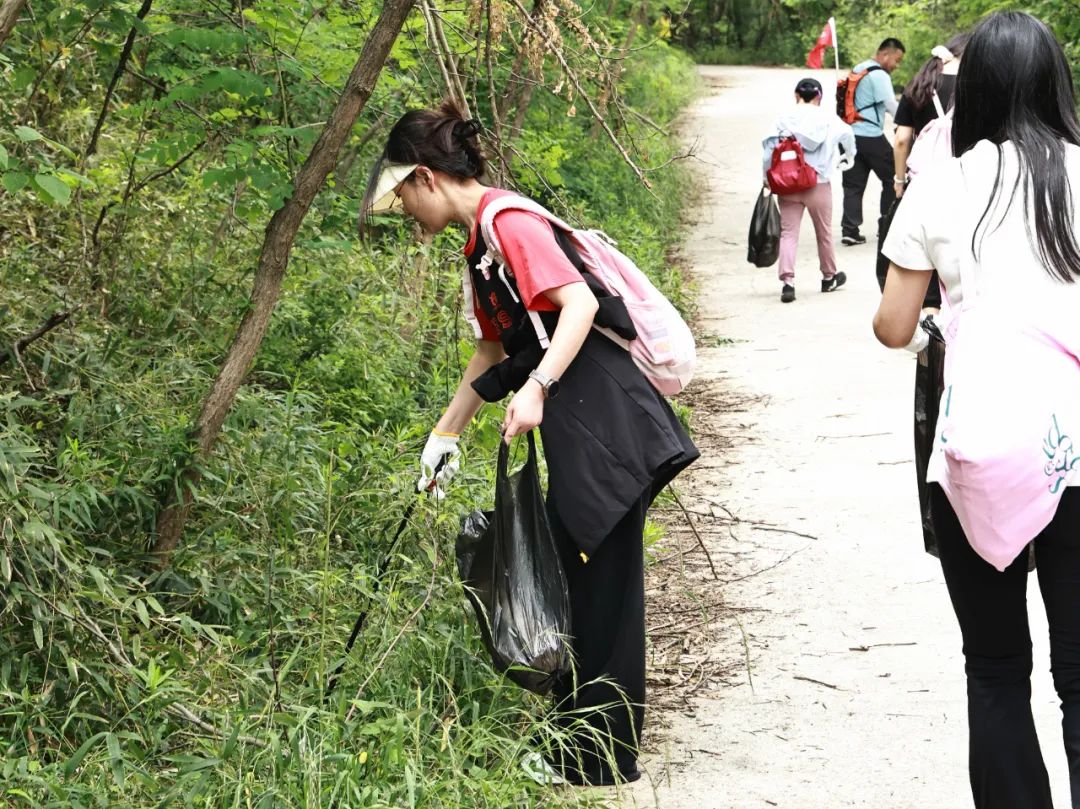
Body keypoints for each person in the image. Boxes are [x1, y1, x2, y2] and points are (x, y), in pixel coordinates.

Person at [360, 102, 699, 787]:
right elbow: (490, 349)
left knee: (604, 585)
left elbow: (576, 304)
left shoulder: (509, 221)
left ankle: (601, 759)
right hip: (580, 422)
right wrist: (444, 433)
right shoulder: (480, 246)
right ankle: (572, 740)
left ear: (425, 178)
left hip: (607, 420)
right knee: (574, 573)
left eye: (403, 200)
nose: (408, 216)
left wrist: (538, 384)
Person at [875, 12, 1080, 808]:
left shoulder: (944, 183)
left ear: (977, 87)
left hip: (979, 445)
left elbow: (894, 327)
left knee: (995, 667)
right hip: (1074, 446)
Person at [762, 77, 856, 303]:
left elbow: (768, 148)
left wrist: (767, 176)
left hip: (788, 184)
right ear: (819, 97)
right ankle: (829, 277)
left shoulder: (783, 118)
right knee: (824, 233)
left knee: (788, 233)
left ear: (796, 96)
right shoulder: (828, 118)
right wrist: (847, 157)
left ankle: (788, 282)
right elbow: (848, 135)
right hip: (818, 183)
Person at [840, 37, 905, 246]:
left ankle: (850, 230)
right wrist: (908, 122)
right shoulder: (879, 75)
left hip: (851, 135)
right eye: (897, 60)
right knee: (893, 177)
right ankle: (885, 226)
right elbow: (890, 105)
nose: (897, 65)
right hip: (870, 136)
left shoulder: (860, 68)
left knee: (852, 185)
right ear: (885, 54)